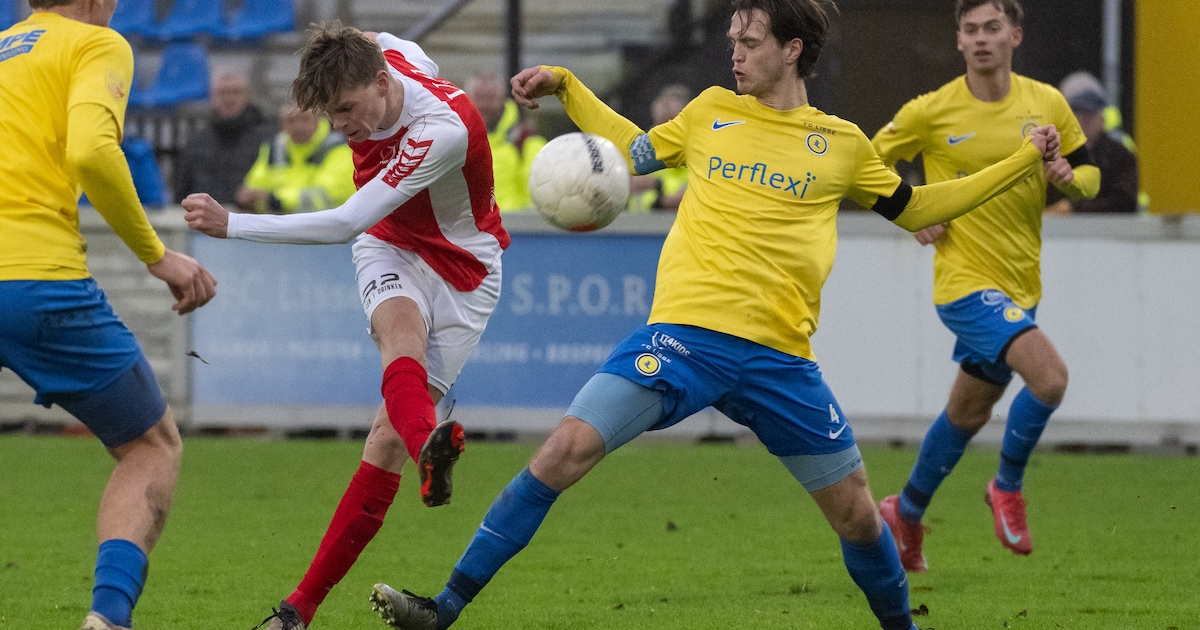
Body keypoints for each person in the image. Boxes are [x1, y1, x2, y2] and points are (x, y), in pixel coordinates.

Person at [368, 1, 1061, 629]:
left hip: (779, 359)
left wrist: (1023, 161)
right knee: (563, 451)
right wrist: (569, 87)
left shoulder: (842, 143)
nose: (734, 53)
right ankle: (444, 607)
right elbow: (630, 153)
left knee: (856, 516)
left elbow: (919, 207)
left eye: (750, 41)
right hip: (683, 338)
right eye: (732, 38)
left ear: (792, 49)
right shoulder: (708, 112)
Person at [180, 22, 508, 630]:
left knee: (383, 439)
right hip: (388, 245)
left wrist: (235, 226)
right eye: (330, 113)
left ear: (384, 83)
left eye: (348, 110)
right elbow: (351, 39)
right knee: (398, 339)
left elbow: (341, 221)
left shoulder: (442, 130)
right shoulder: (378, 55)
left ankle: (417, 454)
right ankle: (297, 610)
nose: (340, 127)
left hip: (465, 268)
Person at [0, 2, 218, 630]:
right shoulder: (96, 43)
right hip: (34, 279)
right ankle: (107, 620)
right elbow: (95, 153)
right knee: (151, 446)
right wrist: (157, 255)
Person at [870, 0, 1100, 573]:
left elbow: (1091, 171)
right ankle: (1007, 486)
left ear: (1015, 35)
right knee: (1050, 380)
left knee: (966, 415)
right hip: (964, 284)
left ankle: (906, 511)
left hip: (1021, 284)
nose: (980, 39)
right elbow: (871, 160)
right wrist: (913, 214)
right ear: (958, 41)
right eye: (969, 30)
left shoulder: (1045, 103)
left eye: (991, 28)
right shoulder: (932, 110)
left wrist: (1073, 178)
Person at [235, 103, 357, 214]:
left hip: (327, 230)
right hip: (282, 230)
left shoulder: (338, 149)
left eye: (305, 119)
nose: (298, 126)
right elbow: (255, 184)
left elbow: (329, 195)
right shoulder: (275, 149)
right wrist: (250, 197)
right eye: (291, 120)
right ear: (281, 124)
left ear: (320, 120)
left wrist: (276, 200)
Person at [1045, 73, 1138, 214]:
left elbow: (1125, 202)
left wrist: (1072, 208)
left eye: (1091, 112)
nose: (1084, 120)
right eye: (1076, 111)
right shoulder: (1046, 156)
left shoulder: (1120, 156)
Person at [175, 70, 273, 204]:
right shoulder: (196, 141)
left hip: (250, 219)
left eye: (235, 92)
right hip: (203, 220)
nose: (229, 99)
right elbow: (182, 191)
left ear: (247, 96)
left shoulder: (267, 140)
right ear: (212, 98)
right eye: (223, 93)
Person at [463, 72, 546, 212]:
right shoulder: (453, 143)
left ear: (502, 99)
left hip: (518, 230)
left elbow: (543, 198)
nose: (484, 105)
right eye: (479, 98)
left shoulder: (528, 144)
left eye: (490, 98)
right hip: (467, 231)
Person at [627, 83, 690, 212]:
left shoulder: (693, 145)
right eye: (662, 99)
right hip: (634, 225)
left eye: (675, 98)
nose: (665, 104)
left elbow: (690, 193)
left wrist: (658, 186)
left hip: (672, 224)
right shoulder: (640, 144)